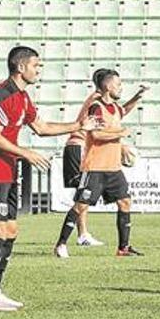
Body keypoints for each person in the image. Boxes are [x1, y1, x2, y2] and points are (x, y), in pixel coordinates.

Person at [0, 46, 98, 312]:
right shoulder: (2, 94)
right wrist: (25, 152)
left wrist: (78, 126)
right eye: (35, 65)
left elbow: (41, 128)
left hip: (7, 171)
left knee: (11, 231)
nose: (38, 70)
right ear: (20, 67)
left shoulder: (23, 98)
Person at [55, 69, 145, 258]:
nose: (121, 88)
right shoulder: (96, 107)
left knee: (125, 202)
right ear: (107, 86)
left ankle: (123, 248)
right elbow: (95, 134)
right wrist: (120, 134)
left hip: (113, 168)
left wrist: (137, 97)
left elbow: (123, 111)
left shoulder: (114, 108)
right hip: (95, 167)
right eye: (118, 84)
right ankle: (61, 244)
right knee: (80, 206)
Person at [61, 90, 104, 249]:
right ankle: (79, 235)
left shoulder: (95, 101)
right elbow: (97, 132)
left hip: (77, 148)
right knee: (84, 193)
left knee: (83, 193)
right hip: (78, 148)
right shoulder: (97, 103)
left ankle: (83, 234)